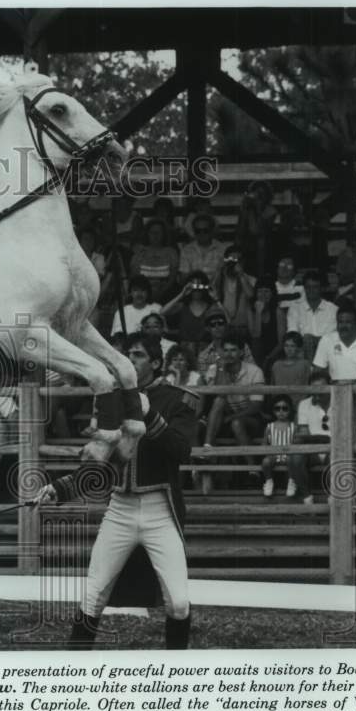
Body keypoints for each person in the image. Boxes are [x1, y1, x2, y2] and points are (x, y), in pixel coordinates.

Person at [36, 334, 198, 650]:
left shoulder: (178, 399)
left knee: (178, 603)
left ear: (155, 363)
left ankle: (177, 673)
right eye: (125, 355)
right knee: (93, 595)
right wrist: (59, 489)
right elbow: (102, 462)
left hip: (160, 510)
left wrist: (149, 415)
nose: (127, 361)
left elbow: (182, 451)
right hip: (120, 509)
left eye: (136, 355)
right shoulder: (111, 401)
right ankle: (73, 672)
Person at [202, 330, 266, 492]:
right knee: (219, 400)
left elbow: (256, 406)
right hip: (223, 419)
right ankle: (207, 448)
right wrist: (222, 369)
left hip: (250, 418)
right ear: (221, 352)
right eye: (226, 350)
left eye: (233, 350)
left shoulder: (254, 371)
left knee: (237, 423)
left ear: (241, 352)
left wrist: (232, 417)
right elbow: (218, 395)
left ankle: (253, 470)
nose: (229, 354)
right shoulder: (214, 369)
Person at [288, 369, 334, 505]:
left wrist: (318, 438)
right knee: (295, 457)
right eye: (314, 389)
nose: (317, 392)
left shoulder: (340, 400)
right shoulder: (304, 404)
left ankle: (334, 497)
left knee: (338, 456)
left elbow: (343, 436)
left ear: (330, 386)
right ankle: (307, 497)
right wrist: (324, 438)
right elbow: (303, 435)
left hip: (334, 449)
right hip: (312, 450)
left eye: (321, 388)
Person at [312, 304, 356, 386]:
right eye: (340, 322)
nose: (343, 326)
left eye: (348, 322)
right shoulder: (327, 340)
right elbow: (316, 375)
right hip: (335, 393)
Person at [285, 270, 338, 361]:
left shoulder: (333, 309)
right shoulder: (295, 308)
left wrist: (315, 341)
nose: (311, 290)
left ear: (321, 288)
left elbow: (332, 336)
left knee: (310, 339)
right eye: (308, 287)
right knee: (306, 339)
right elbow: (293, 334)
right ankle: (311, 370)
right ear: (304, 288)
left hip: (327, 350)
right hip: (302, 351)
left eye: (315, 287)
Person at [160, 271, 216, 356]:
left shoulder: (211, 307)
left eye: (199, 286)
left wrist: (216, 299)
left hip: (206, 351)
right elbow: (163, 312)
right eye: (193, 286)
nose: (196, 290)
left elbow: (228, 320)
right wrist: (182, 294)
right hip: (185, 352)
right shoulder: (183, 306)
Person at [211, 246, 256, 338]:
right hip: (222, 328)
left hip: (243, 328)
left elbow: (251, 295)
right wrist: (218, 269)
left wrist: (241, 274)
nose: (235, 262)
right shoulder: (220, 279)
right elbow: (211, 292)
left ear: (243, 262)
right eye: (231, 259)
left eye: (238, 259)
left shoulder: (251, 279)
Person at [130, 220, 178, 300]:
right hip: (142, 295)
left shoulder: (171, 252)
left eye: (159, 232)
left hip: (166, 294)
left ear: (164, 234)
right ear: (147, 234)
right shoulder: (139, 252)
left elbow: (172, 279)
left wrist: (161, 291)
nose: (155, 235)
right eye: (152, 232)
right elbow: (134, 277)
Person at [260, 395, 296, 498]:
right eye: (277, 408)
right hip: (273, 455)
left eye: (284, 408)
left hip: (288, 455)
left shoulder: (293, 426)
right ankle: (269, 481)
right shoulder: (269, 427)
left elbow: (295, 443)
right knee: (266, 462)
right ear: (273, 410)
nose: (281, 411)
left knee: (291, 460)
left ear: (290, 410)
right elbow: (265, 442)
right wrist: (267, 452)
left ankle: (291, 481)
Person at [178, 213, 226, 281]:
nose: (201, 234)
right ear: (194, 232)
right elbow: (183, 279)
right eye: (198, 231)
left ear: (212, 231)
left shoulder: (223, 249)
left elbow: (226, 278)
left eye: (205, 230)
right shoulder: (186, 250)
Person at [269, 331, 312, 405]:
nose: (289, 349)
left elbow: (309, 388)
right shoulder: (276, 365)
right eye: (286, 346)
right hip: (280, 407)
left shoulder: (304, 364)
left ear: (298, 347)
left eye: (292, 346)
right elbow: (272, 389)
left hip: (300, 406)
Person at [248, 277, 282, 367]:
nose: (263, 295)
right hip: (257, 353)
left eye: (266, 291)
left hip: (274, 352)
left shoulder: (278, 311)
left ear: (272, 294)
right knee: (256, 344)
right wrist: (258, 312)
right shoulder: (251, 310)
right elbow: (255, 335)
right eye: (260, 291)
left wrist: (268, 358)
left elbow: (281, 343)